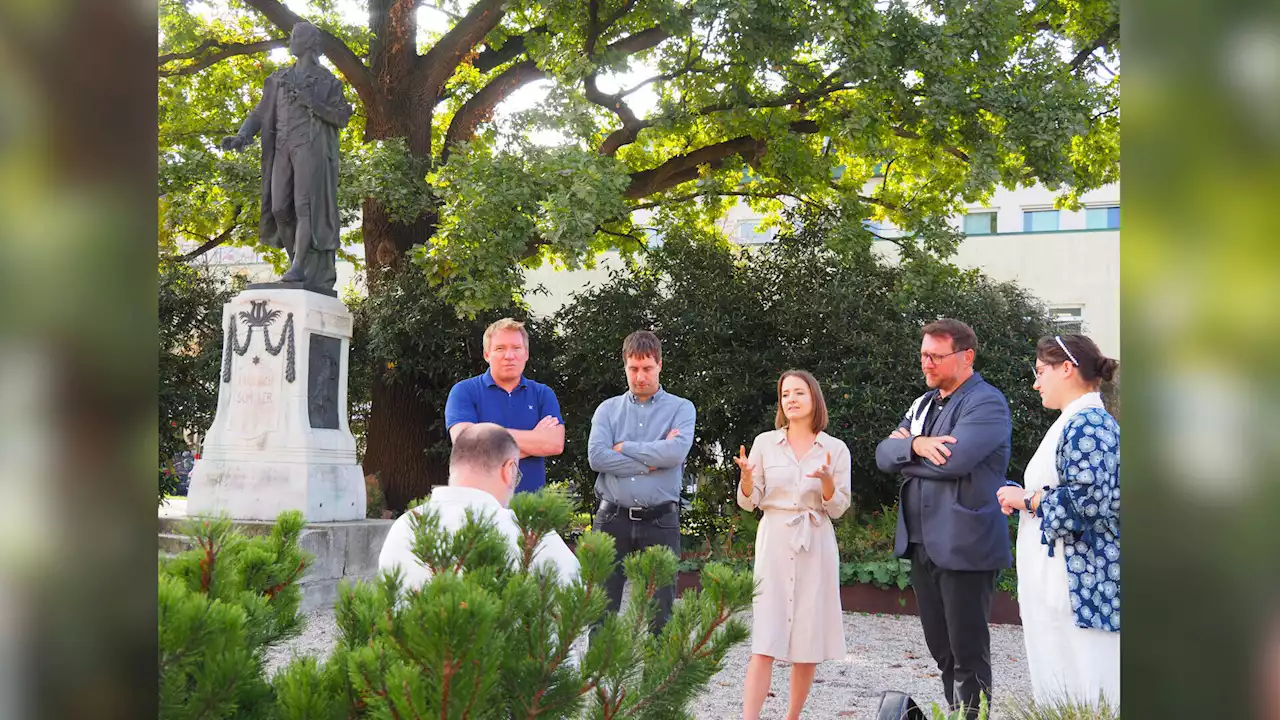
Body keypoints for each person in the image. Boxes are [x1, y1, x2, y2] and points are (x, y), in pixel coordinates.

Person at [875, 319, 1013, 719]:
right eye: (923, 355)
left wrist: (906, 457)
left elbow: (955, 461)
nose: (926, 363)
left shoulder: (986, 401)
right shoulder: (923, 404)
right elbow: (883, 455)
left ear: (966, 356)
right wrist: (917, 444)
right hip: (922, 543)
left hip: (964, 544)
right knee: (942, 650)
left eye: (935, 356)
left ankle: (971, 716)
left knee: (968, 653)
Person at [996, 334, 1120, 707]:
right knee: (1066, 683)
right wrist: (1024, 500)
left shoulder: (1089, 424)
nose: (1036, 383)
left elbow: (1090, 503)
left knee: (1089, 684)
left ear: (1067, 369)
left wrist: (1028, 500)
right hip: (1064, 582)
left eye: (1040, 371)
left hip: (1082, 585)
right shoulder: (1074, 421)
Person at [736, 370, 852, 720]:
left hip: (815, 541)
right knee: (765, 638)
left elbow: (839, 507)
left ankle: (792, 717)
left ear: (814, 398)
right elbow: (749, 501)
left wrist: (828, 482)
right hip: (774, 541)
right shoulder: (764, 443)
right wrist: (745, 478)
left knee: (807, 640)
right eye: (785, 394)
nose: (791, 399)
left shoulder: (835, 449)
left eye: (798, 392)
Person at [221, 22, 352, 291]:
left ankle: (297, 267)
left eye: (295, 36)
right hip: (281, 148)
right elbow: (260, 113)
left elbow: (341, 118)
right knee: (280, 209)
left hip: (310, 148)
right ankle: (297, 263)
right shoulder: (279, 78)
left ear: (309, 43)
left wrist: (312, 103)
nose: (290, 40)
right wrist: (243, 136)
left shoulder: (327, 81)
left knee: (304, 207)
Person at [377, 423, 579, 590]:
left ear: (453, 465)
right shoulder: (532, 536)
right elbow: (573, 611)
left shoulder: (405, 526)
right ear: (509, 470)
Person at [587, 330, 696, 633]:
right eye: (633, 369)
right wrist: (651, 463)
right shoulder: (607, 409)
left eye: (647, 368)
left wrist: (624, 448)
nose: (640, 376)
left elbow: (674, 453)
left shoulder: (681, 408)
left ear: (660, 364)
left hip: (660, 520)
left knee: (660, 613)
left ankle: (657, 681)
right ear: (625, 367)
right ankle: (599, 680)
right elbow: (597, 457)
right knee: (601, 609)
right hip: (611, 518)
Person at [445, 318, 564, 494]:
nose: (509, 356)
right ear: (487, 354)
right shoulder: (464, 391)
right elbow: (467, 444)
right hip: (478, 505)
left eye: (516, 348)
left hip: (530, 508)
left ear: (526, 354)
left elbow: (554, 444)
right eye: (500, 348)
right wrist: (535, 438)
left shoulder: (542, 394)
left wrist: (487, 441)